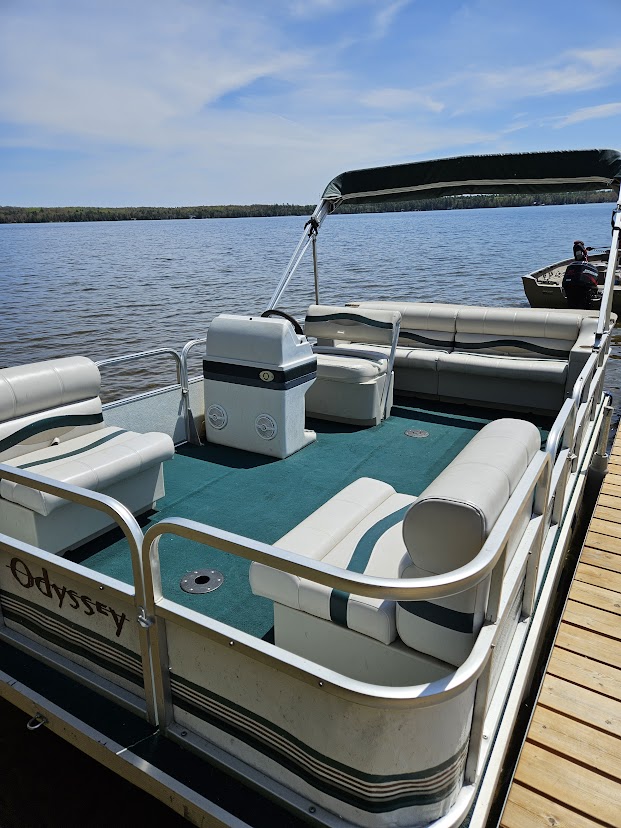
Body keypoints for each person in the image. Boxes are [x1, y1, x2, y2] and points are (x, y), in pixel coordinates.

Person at [561, 240, 600, 309]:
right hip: (582, 287)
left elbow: (578, 256)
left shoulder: (573, 265)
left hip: (570, 287)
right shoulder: (580, 249)